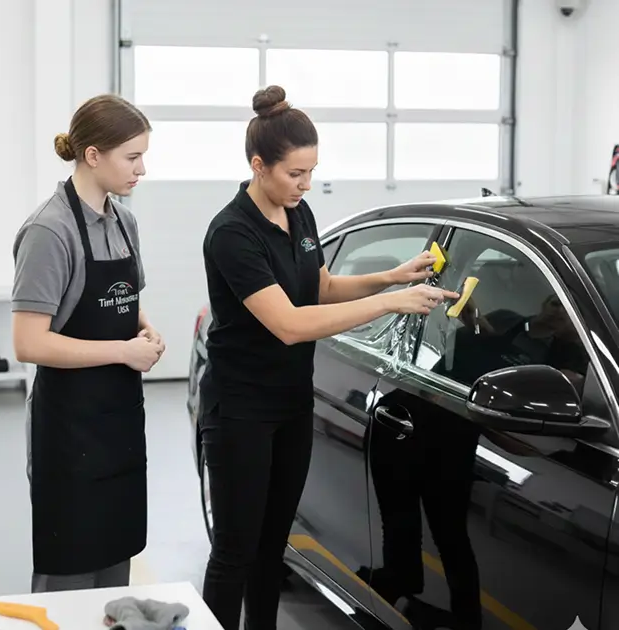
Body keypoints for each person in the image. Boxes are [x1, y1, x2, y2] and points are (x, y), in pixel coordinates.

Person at [199, 85, 458, 630]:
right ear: (259, 165)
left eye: (312, 172)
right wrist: (391, 303)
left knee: (274, 545)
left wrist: (391, 276)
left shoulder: (301, 214)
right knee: (236, 550)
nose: (306, 184)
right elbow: (290, 324)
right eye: (295, 173)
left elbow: (318, 289)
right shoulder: (231, 234)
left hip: (290, 405)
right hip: (242, 412)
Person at [11, 94, 165, 593]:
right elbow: (29, 343)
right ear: (93, 155)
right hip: (69, 429)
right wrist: (123, 352)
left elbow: (124, 301)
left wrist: (144, 329)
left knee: (114, 569)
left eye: (144, 155)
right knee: (68, 575)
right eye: (132, 157)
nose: (142, 169)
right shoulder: (49, 231)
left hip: (119, 421)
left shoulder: (125, 221)